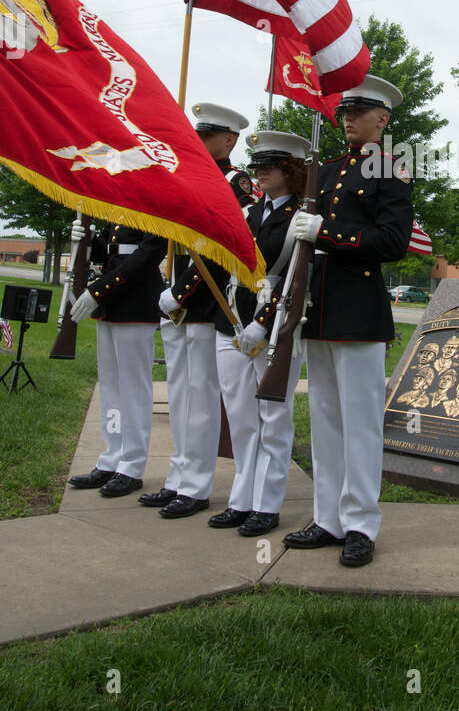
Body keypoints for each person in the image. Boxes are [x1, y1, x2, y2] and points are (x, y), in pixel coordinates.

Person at [282, 75, 414, 568]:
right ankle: (328, 517)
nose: (347, 118)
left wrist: (326, 232)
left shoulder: (391, 171)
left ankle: (360, 522)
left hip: (358, 310)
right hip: (320, 307)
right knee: (324, 420)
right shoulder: (328, 169)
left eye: (358, 111)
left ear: (382, 119)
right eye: (343, 111)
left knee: (359, 423)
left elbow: (391, 242)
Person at [146, 104, 254, 518]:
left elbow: (221, 245)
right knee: (180, 395)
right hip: (179, 298)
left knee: (201, 397)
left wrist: (183, 291)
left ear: (228, 140)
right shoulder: (189, 176)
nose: (197, 141)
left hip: (207, 300)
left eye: (206, 136)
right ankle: (178, 477)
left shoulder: (234, 182)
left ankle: (194, 488)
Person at [207, 129, 310, 536]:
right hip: (231, 323)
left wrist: (262, 323)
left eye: (270, 165)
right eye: (257, 166)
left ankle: (267, 505)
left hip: (275, 328)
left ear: (290, 170)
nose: (260, 172)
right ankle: (241, 499)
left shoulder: (301, 219)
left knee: (274, 417)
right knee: (241, 418)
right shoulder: (247, 213)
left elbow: (294, 278)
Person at [67, 224, 166, 496]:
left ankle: (131, 466)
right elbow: (107, 250)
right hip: (110, 301)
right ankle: (112, 457)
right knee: (111, 388)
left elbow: (146, 256)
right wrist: (86, 238)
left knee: (133, 389)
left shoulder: (150, 204)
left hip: (134, 299)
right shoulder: (119, 204)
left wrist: (99, 290)